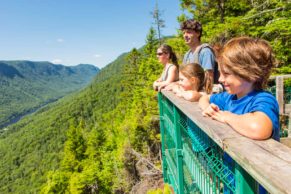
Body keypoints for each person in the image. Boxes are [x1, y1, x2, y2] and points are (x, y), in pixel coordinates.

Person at [198, 36, 279, 193]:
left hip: (256, 187)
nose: (220, 79)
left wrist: (226, 116)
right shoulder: (230, 97)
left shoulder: (263, 98)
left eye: (226, 74)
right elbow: (204, 97)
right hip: (232, 182)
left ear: (250, 73)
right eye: (220, 73)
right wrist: (207, 107)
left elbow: (259, 128)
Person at [180, 19, 219, 86]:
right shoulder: (187, 55)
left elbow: (209, 79)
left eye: (188, 32)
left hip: (202, 92)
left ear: (198, 33)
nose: (185, 35)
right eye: (184, 33)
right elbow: (183, 76)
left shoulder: (205, 52)